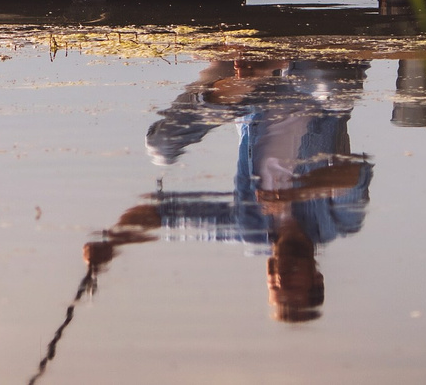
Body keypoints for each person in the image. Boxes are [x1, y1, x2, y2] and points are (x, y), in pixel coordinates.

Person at [78, 58, 373, 323]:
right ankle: (271, 63)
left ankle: (242, 68)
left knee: (161, 147)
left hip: (253, 99)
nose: (281, 278)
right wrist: (299, 193)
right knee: (336, 91)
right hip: (315, 98)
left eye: (274, 287)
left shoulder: (249, 228)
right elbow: (354, 173)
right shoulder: (339, 223)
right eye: (292, 285)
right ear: (316, 278)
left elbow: (164, 216)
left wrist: (114, 241)